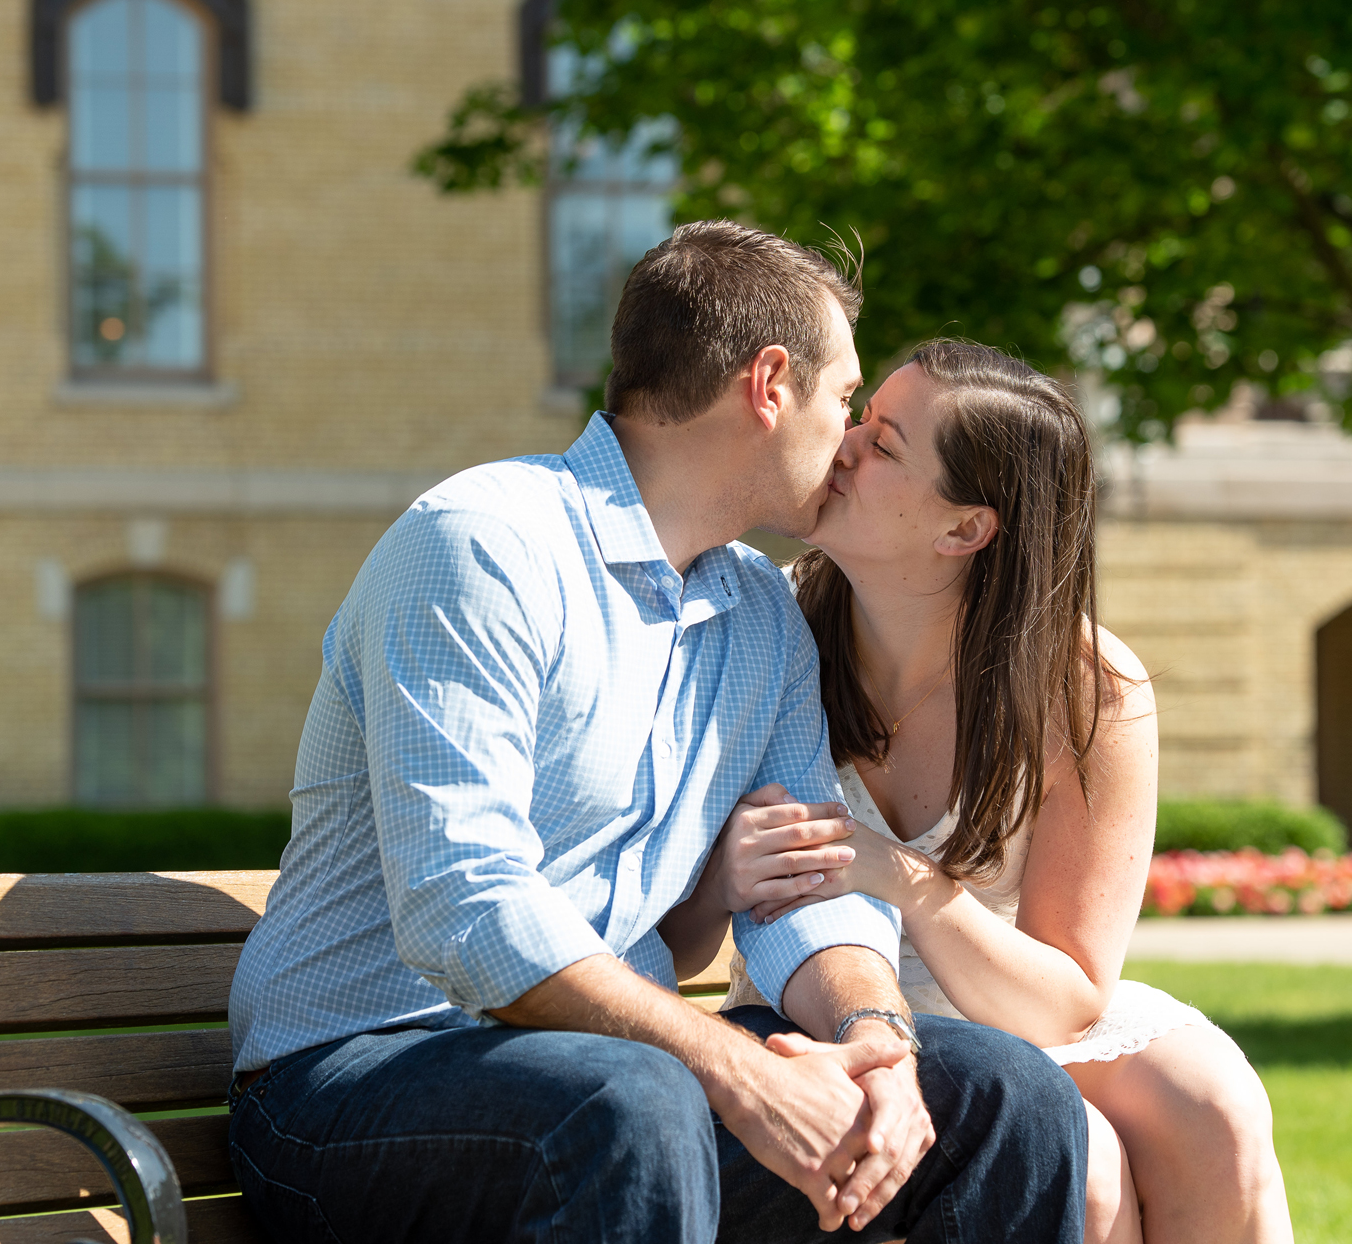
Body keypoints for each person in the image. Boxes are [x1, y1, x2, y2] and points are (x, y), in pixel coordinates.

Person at [226, 224, 1091, 1243]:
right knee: (637, 1101)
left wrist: (877, 1041)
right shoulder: (481, 548)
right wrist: (729, 1068)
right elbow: (463, 906)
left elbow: (801, 883)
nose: (849, 436)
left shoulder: (758, 616)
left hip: (611, 1082)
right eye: (844, 398)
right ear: (769, 386)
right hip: (352, 1079)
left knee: (1002, 1097)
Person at [675, 339, 1293, 1244]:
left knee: (1218, 1110)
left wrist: (898, 875)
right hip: (825, 996)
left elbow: (1070, 994)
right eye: (861, 416)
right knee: (1090, 1173)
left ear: (964, 529)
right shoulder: (767, 629)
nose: (842, 443)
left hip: (1014, 990)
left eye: (884, 445)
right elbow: (681, 930)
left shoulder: (1084, 687)